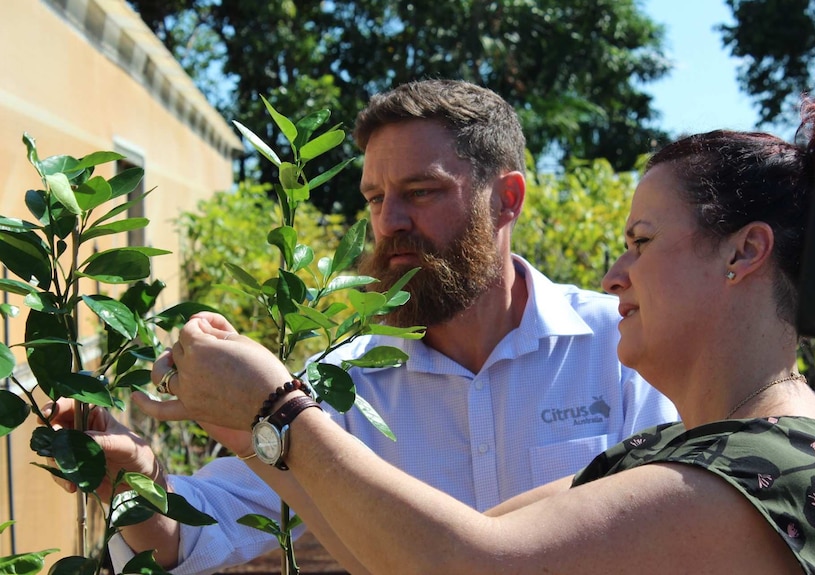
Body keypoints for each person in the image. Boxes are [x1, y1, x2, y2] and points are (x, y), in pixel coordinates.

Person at [147, 92, 815, 574]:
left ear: (744, 252)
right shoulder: (685, 448)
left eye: (641, 240)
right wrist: (251, 432)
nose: (614, 275)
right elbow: (413, 555)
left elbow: (478, 565)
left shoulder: (756, 477)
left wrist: (276, 408)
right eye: (373, 198)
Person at [48, 79, 677, 572]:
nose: (388, 221)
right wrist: (132, 478)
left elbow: (669, 535)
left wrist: (274, 413)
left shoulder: (621, 349)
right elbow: (196, 532)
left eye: (421, 191)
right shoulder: (344, 384)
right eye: (375, 198)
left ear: (506, 198)